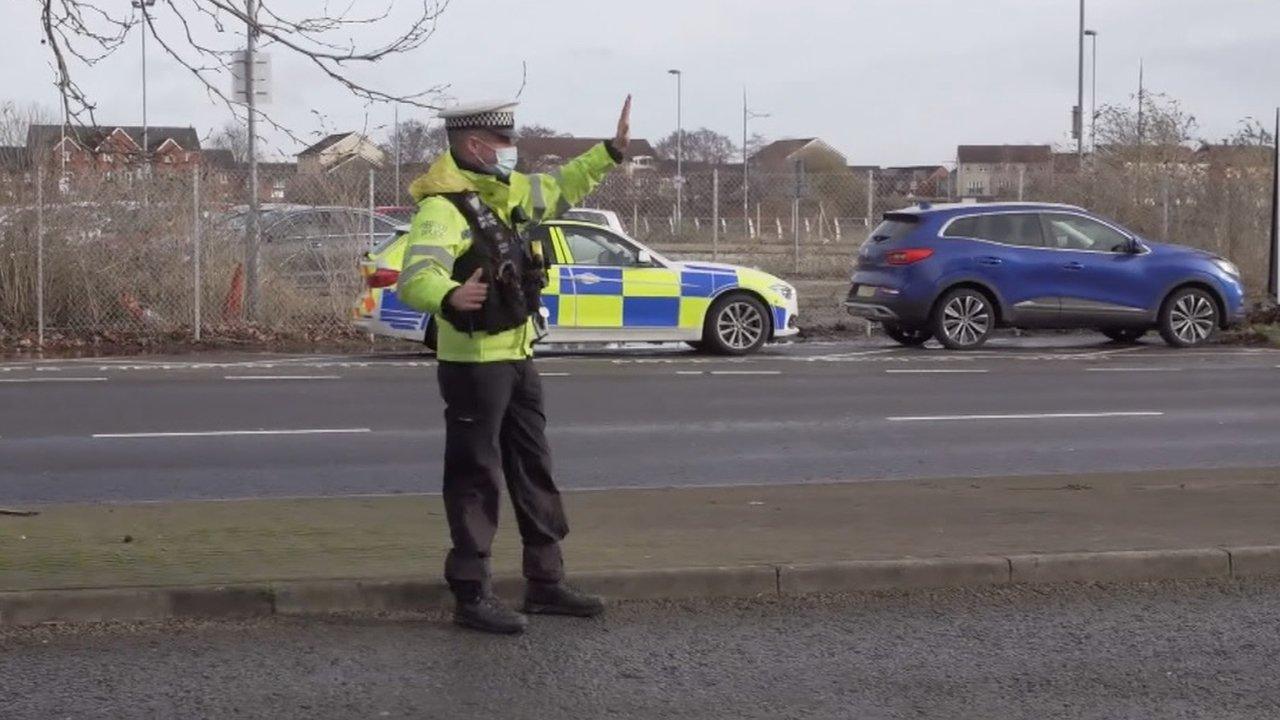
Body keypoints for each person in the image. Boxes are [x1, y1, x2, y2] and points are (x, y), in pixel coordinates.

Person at [397, 96, 632, 634]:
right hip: (475, 364)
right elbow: (415, 276)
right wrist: (450, 294)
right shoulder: (443, 207)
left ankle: (545, 583)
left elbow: (562, 185)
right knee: (475, 475)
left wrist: (610, 153)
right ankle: (471, 593)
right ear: (476, 145)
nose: (512, 151)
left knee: (534, 468)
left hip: (518, 353)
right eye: (504, 143)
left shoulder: (509, 193)